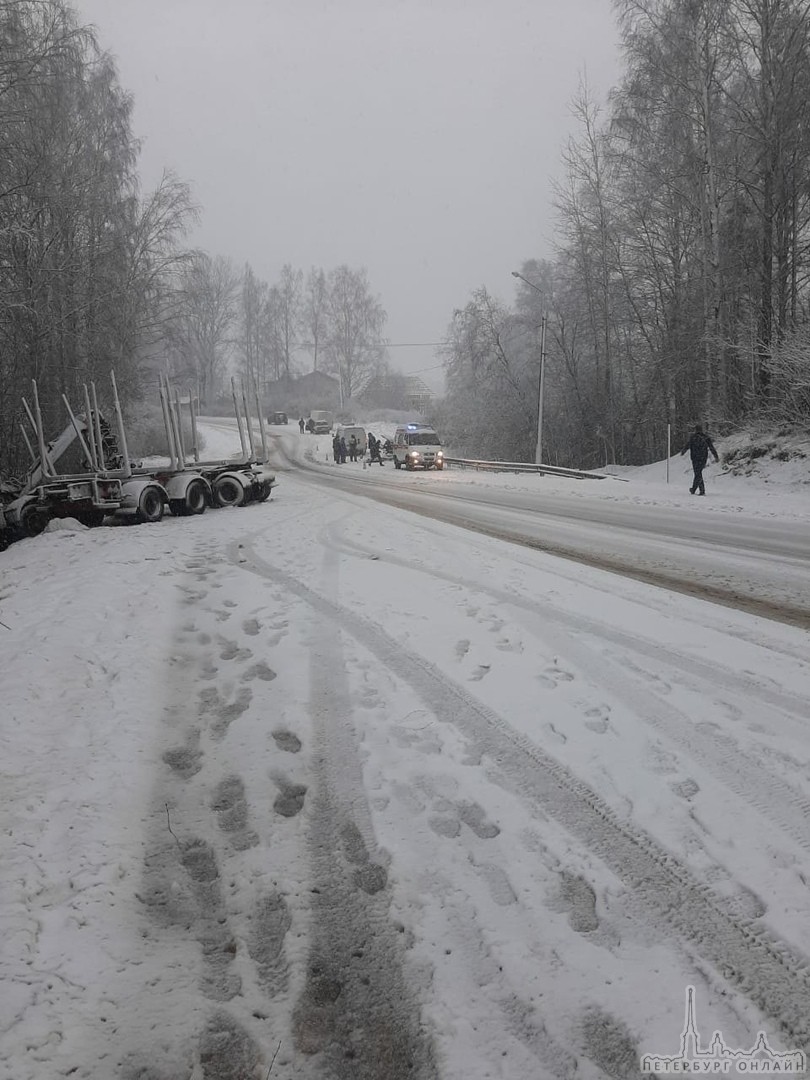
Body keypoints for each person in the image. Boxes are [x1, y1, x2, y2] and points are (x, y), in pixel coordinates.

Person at [680, 423, 719, 495]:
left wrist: (683, 451)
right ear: (701, 430)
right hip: (703, 458)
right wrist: (716, 456)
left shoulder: (693, 437)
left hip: (695, 458)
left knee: (697, 473)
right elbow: (711, 447)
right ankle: (695, 489)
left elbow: (687, 445)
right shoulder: (706, 437)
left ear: (695, 430)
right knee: (698, 473)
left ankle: (699, 490)